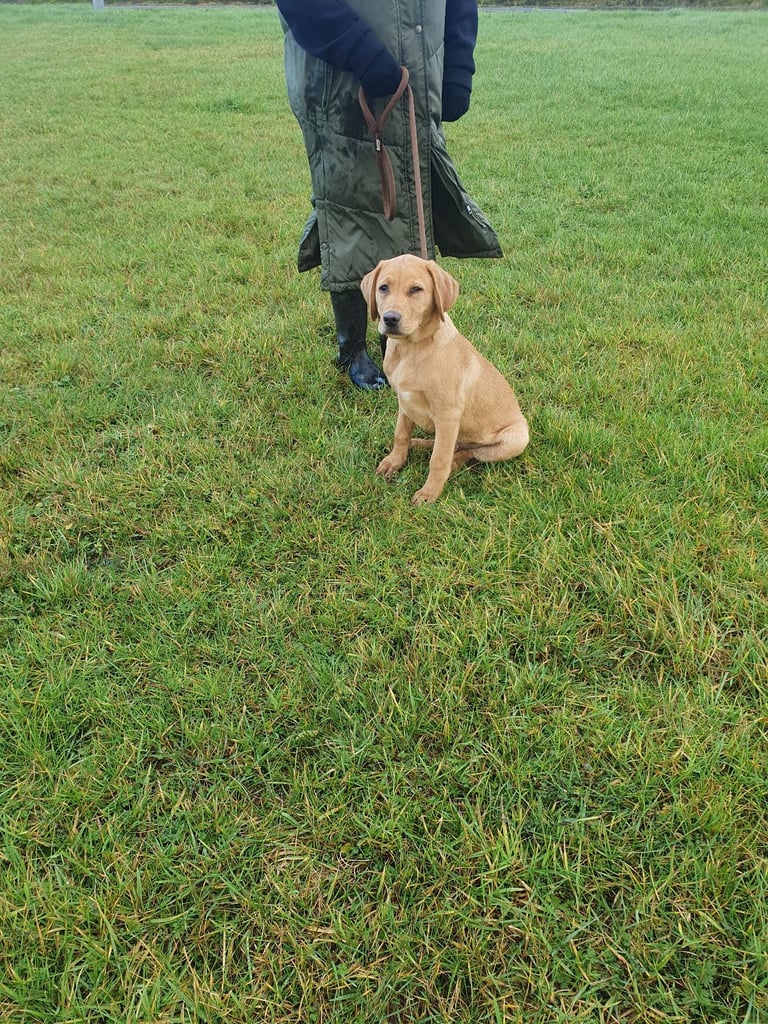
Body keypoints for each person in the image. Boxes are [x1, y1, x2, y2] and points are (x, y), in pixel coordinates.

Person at [275, 0, 502, 390]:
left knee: (410, 204)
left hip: (417, 75)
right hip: (340, 82)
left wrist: (458, 63)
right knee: (348, 207)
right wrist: (358, 50)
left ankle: (398, 337)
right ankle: (353, 350)